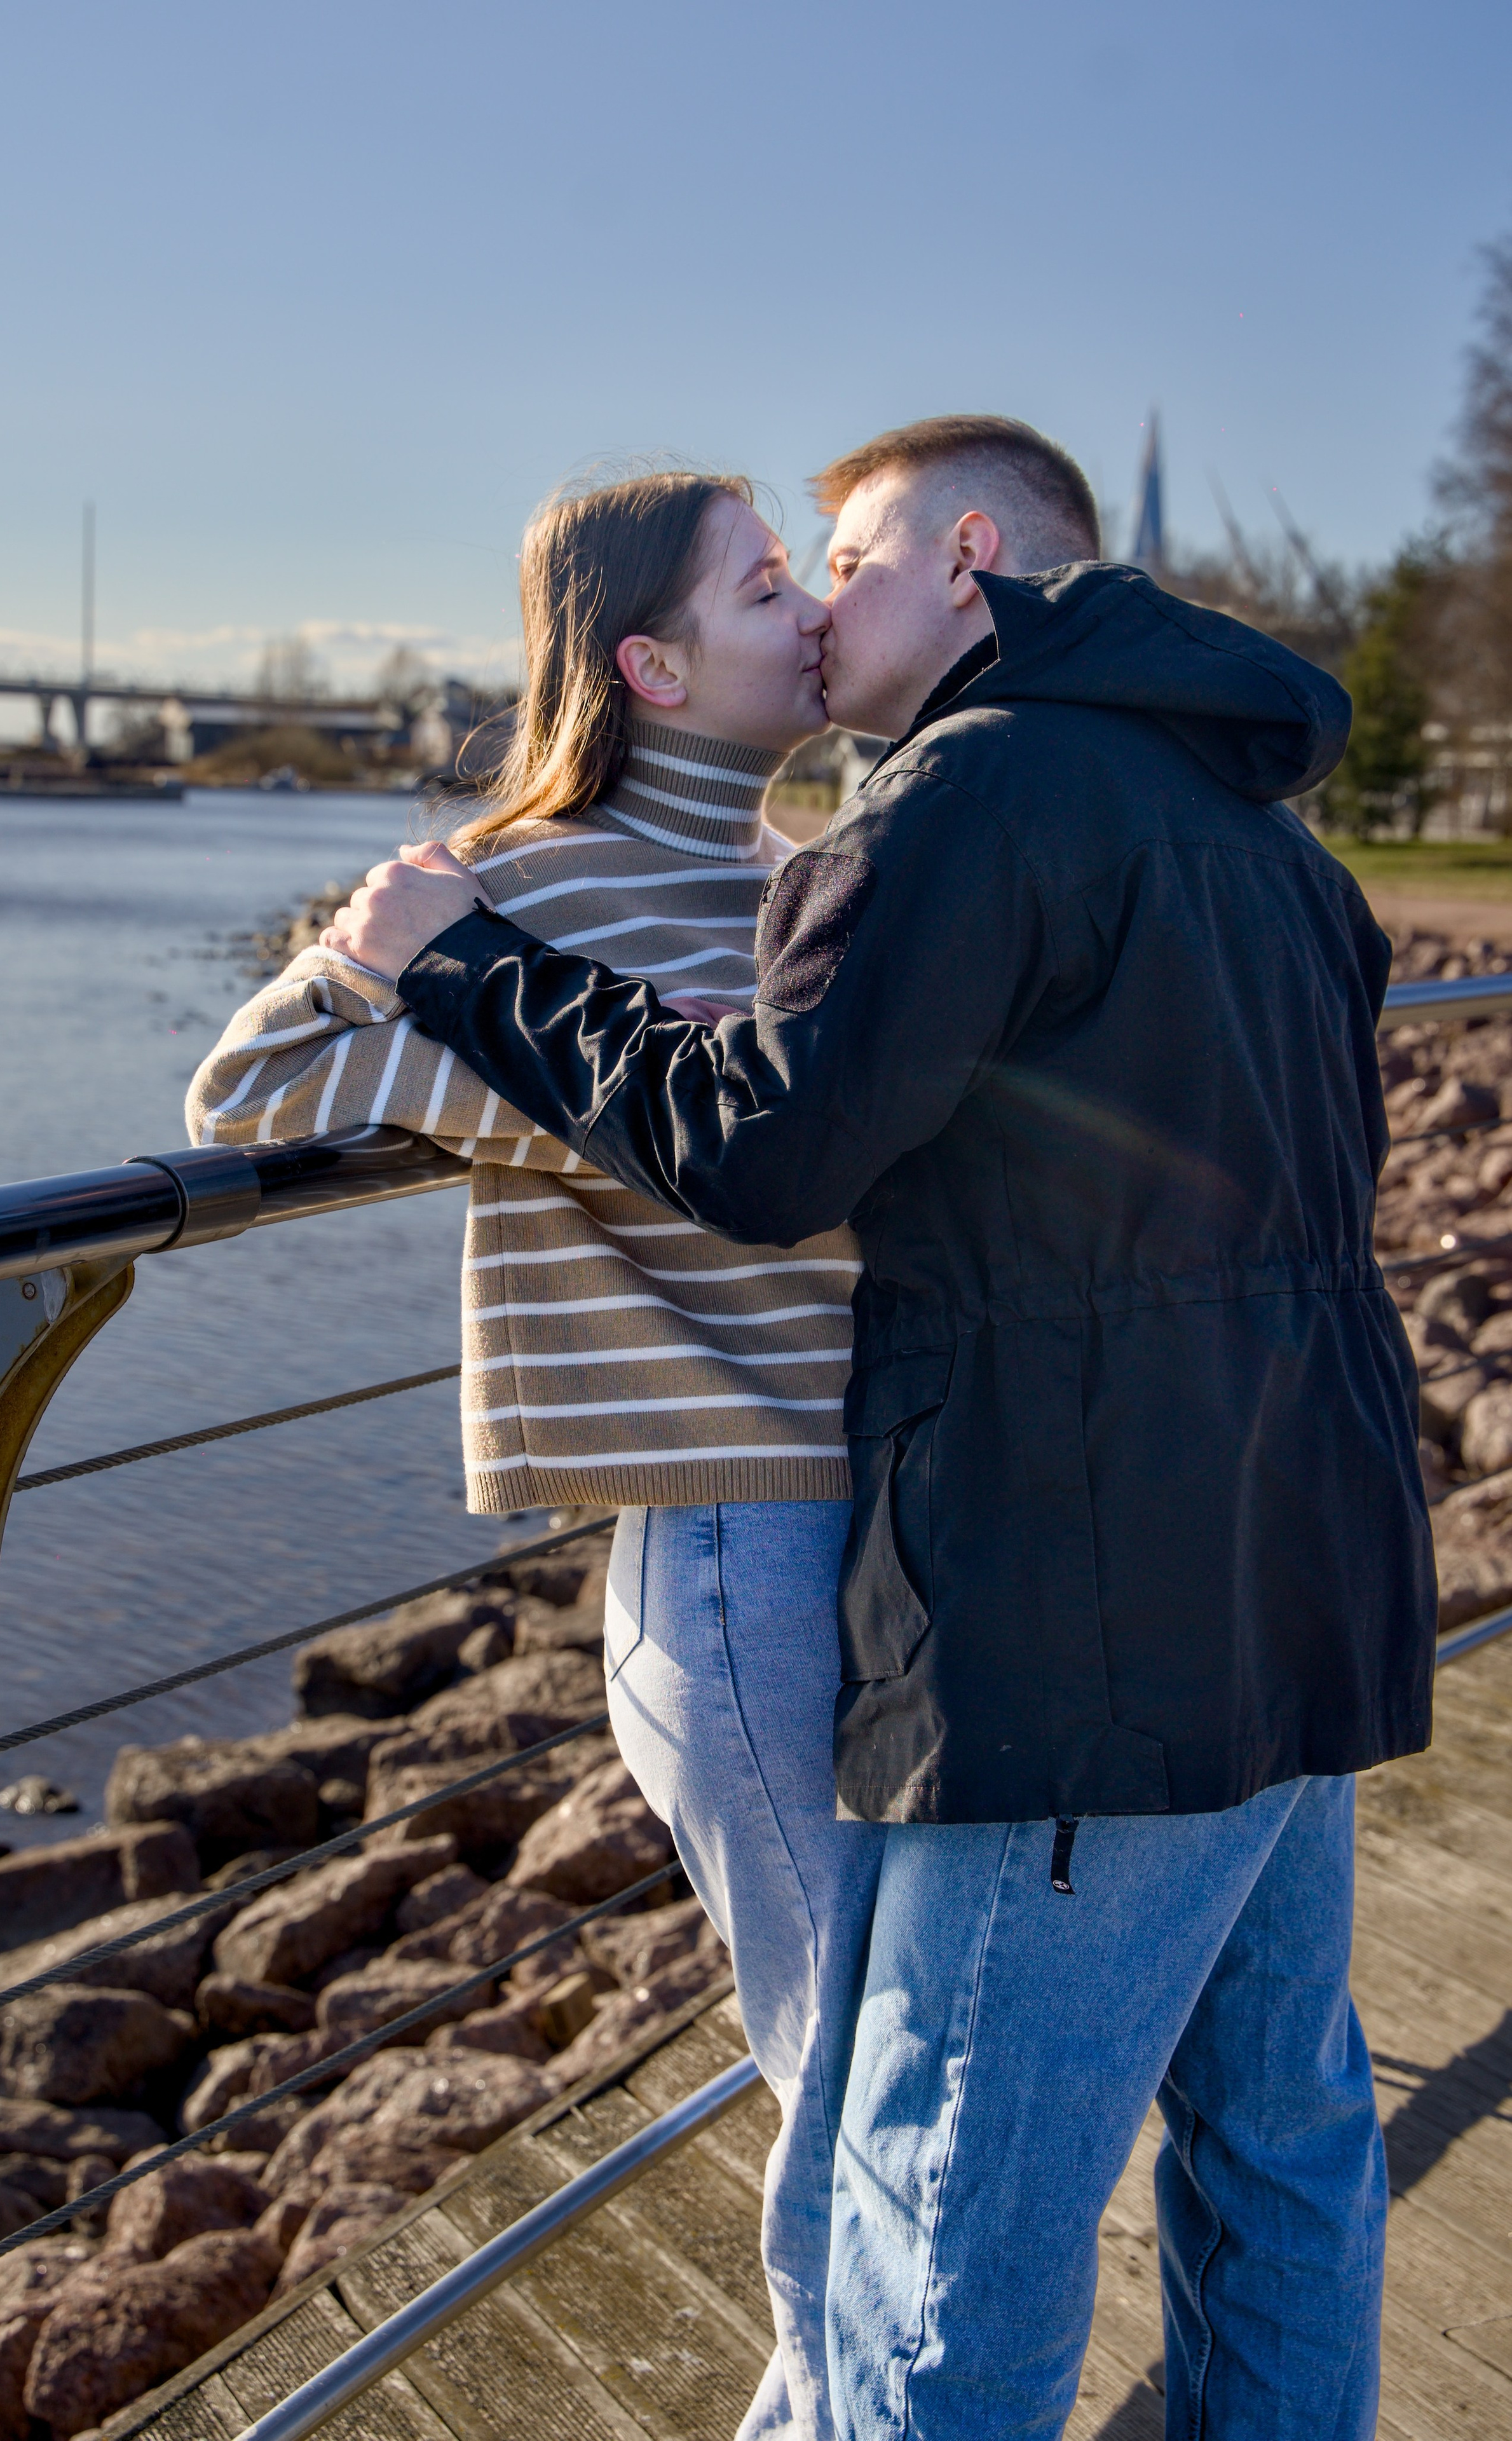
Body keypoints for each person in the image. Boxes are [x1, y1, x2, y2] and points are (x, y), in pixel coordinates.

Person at [318, 414, 1437, 2441]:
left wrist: (465, 966)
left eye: (846, 559)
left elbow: (768, 1149)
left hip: (1093, 1621)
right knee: (1279, 2141)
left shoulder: (967, 790)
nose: (824, 609)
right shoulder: (1274, 844)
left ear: (971, 554)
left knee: (945, 2235)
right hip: (1312, 1571)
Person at [187, 468, 886, 2441]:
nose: (814, 609)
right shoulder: (515, 882)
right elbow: (250, 1083)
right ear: (650, 665)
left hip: (890, 1521)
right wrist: (598, 1077)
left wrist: (660, 1076)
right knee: (858, 2070)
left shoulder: (811, 868)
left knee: (886, 2059)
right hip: (735, 1546)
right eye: (768, 584)